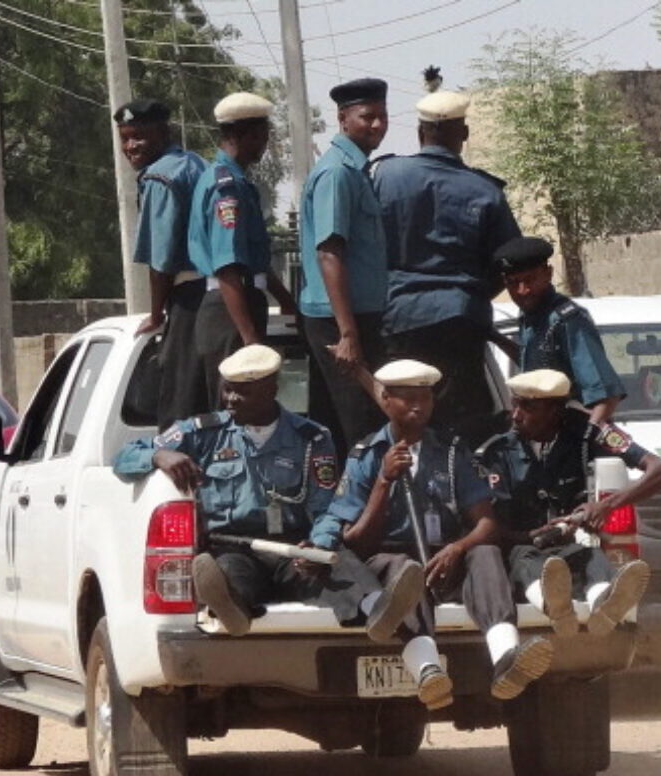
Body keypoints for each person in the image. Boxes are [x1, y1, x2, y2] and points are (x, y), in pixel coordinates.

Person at [112, 345, 431, 699]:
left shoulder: (311, 438)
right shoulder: (202, 432)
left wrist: (319, 544)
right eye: (227, 388)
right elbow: (124, 457)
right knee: (231, 574)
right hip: (233, 545)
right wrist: (159, 454)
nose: (230, 398)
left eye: (242, 390)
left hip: (294, 545)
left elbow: (329, 506)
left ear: (271, 389)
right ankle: (229, 607)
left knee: (337, 564)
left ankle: (378, 612)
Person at [314, 359, 554, 703]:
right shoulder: (364, 455)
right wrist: (384, 481)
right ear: (385, 400)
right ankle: (428, 672)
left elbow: (486, 523)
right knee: (403, 569)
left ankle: (505, 659)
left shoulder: (453, 451)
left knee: (484, 551)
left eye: (425, 398)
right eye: (407, 397)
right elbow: (355, 540)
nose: (418, 406)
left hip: (444, 556)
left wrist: (458, 548)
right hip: (390, 560)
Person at [371, 83, 521, 444]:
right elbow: (511, 258)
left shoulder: (384, 176)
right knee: (461, 422)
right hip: (460, 319)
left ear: (421, 132)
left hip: (399, 316)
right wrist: (473, 292)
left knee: (403, 416)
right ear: (464, 134)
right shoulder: (485, 190)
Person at [478, 369, 661, 635]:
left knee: (593, 558)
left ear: (555, 410)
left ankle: (604, 606)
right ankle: (556, 608)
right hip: (520, 547)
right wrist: (531, 535)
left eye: (528, 407)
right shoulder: (497, 451)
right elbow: (487, 525)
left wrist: (607, 505)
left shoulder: (587, 433)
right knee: (526, 562)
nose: (516, 415)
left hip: (567, 545)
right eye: (515, 404)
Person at [188, 93, 298, 408]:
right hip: (229, 310)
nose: (265, 145)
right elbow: (228, 269)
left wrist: (288, 303)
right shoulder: (227, 188)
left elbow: (256, 262)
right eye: (262, 137)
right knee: (237, 409)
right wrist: (249, 338)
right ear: (244, 136)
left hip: (240, 303)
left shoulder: (234, 181)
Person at [299, 77, 390, 460]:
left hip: (356, 317)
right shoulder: (337, 173)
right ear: (342, 119)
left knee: (345, 428)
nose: (377, 125)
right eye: (367, 117)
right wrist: (348, 333)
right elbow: (329, 253)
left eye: (382, 117)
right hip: (343, 322)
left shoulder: (355, 169)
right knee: (361, 429)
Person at [114, 99, 208, 429]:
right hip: (222, 292)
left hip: (191, 298)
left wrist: (156, 315)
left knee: (179, 411)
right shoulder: (195, 163)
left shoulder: (160, 177)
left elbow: (162, 261)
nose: (131, 146)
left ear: (163, 132)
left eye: (139, 136)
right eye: (125, 138)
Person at [493, 236, 626, 426]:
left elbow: (606, 397)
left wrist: (583, 441)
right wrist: (494, 337)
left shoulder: (567, 320)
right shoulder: (529, 316)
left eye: (529, 280)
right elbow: (534, 364)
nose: (522, 290)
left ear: (548, 274)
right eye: (513, 283)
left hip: (570, 434)